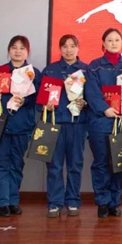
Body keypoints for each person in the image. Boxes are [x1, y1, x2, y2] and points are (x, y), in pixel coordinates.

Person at [84, 28, 122, 218]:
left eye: (117, 40)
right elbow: (91, 92)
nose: (114, 43)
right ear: (103, 43)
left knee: (119, 162)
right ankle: (102, 201)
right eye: (110, 40)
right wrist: (105, 109)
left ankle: (114, 202)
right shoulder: (94, 67)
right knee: (101, 163)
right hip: (101, 122)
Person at [0, 35, 42, 217]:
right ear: (9, 50)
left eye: (22, 48)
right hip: (0, 125)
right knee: (1, 164)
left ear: (27, 51)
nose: (18, 51)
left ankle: (13, 201)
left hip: (22, 125)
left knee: (17, 164)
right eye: (14, 47)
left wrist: (25, 100)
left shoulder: (33, 73)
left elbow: (39, 99)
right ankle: (2, 203)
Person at [40, 34, 89, 218]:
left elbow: (93, 97)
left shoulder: (86, 70)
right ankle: (54, 202)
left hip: (77, 124)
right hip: (55, 123)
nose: (69, 50)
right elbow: (39, 99)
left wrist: (85, 103)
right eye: (65, 46)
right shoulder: (50, 70)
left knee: (75, 165)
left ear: (78, 48)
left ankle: (73, 200)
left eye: (72, 46)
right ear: (60, 49)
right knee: (54, 165)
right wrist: (44, 105)